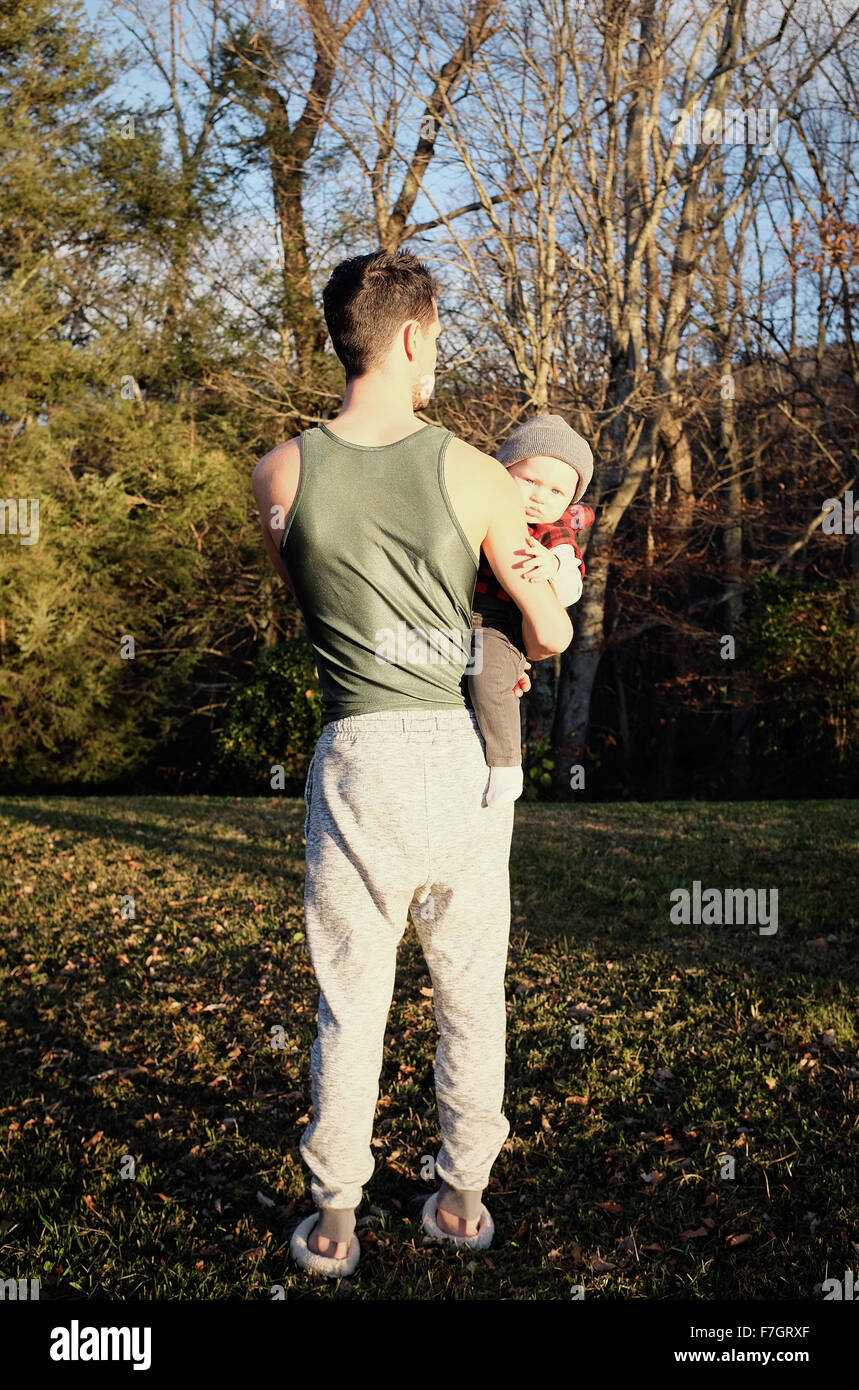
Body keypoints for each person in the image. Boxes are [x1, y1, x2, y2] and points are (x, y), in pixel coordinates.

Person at [251, 248, 573, 1279]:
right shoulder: (475, 473)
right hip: (456, 752)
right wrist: (546, 576)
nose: (438, 354)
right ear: (408, 334)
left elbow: (315, 590)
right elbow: (550, 632)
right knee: (470, 988)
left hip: (353, 751)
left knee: (352, 997)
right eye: (435, 336)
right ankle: (461, 1198)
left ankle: (335, 1219)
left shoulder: (279, 471)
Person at [468, 415, 595, 806]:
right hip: (459, 613)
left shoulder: (554, 536)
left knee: (488, 677)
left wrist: (554, 567)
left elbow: (572, 587)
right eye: (530, 481)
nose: (541, 497)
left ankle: (506, 764)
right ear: (504, 472)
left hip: (501, 623)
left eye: (557, 491)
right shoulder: (481, 511)